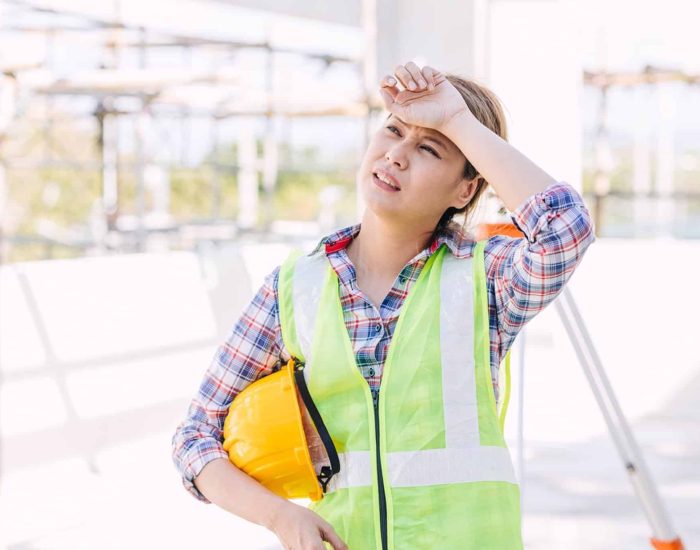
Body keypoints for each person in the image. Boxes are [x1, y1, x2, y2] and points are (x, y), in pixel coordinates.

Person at [172, 61, 596, 549]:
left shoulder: (488, 281)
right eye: (393, 131)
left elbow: (565, 229)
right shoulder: (293, 289)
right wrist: (280, 517)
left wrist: (457, 120)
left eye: (429, 147)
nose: (396, 155)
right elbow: (195, 437)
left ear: (466, 189)